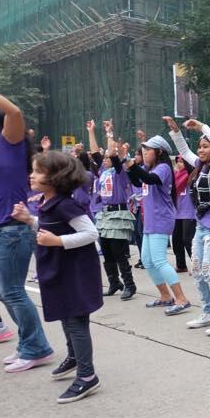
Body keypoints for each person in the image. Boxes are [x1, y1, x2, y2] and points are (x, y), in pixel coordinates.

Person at [11, 150, 103, 401]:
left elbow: (91, 233)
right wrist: (29, 219)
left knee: (75, 321)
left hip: (76, 273)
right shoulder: (47, 202)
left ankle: (87, 376)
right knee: (65, 315)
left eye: (38, 171)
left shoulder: (67, 204)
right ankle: (74, 357)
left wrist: (58, 241)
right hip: (60, 269)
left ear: (56, 177)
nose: (31, 175)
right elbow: (48, 227)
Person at [0, 87, 53, 369]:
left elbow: (14, 112)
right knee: (0, 291)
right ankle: (28, 343)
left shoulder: (8, 143)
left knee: (12, 291)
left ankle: (37, 347)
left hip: (12, 230)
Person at [166, 117, 210, 336]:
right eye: (200, 147)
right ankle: (208, 312)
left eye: (206, 146)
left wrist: (203, 128)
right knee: (197, 271)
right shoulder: (199, 166)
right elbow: (185, 151)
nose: (202, 150)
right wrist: (177, 132)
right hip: (202, 226)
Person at [124, 134, 191, 315]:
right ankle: (165, 296)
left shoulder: (162, 168)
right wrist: (127, 164)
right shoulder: (148, 168)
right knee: (147, 260)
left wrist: (132, 166)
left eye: (148, 150)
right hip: (151, 220)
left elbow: (148, 179)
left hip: (161, 218)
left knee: (160, 260)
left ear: (159, 151)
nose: (144, 153)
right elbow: (138, 180)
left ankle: (181, 298)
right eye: (143, 150)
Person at [87, 120, 137, 301]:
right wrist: (91, 131)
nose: (105, 158)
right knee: (107, 251)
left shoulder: (119, 171)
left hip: (118, 214)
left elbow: (114, 155)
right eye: (105, 157)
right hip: (105, 214)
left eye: (108, 156)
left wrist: (109, 133)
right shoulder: (103, 170)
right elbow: (94, 153)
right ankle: (114, 282)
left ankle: (130, 285)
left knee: (119, 252)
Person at [171, 156, 196, 272]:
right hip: (177, 213)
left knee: (188, 240)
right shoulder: (174, 177)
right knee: (176, 240)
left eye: (182, 161)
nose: (179, 164)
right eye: (178, 162)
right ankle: (181, 265)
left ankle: (197, 265)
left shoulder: (191, 175)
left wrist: (185, 156)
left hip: (189, 213)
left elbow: (192, 169)